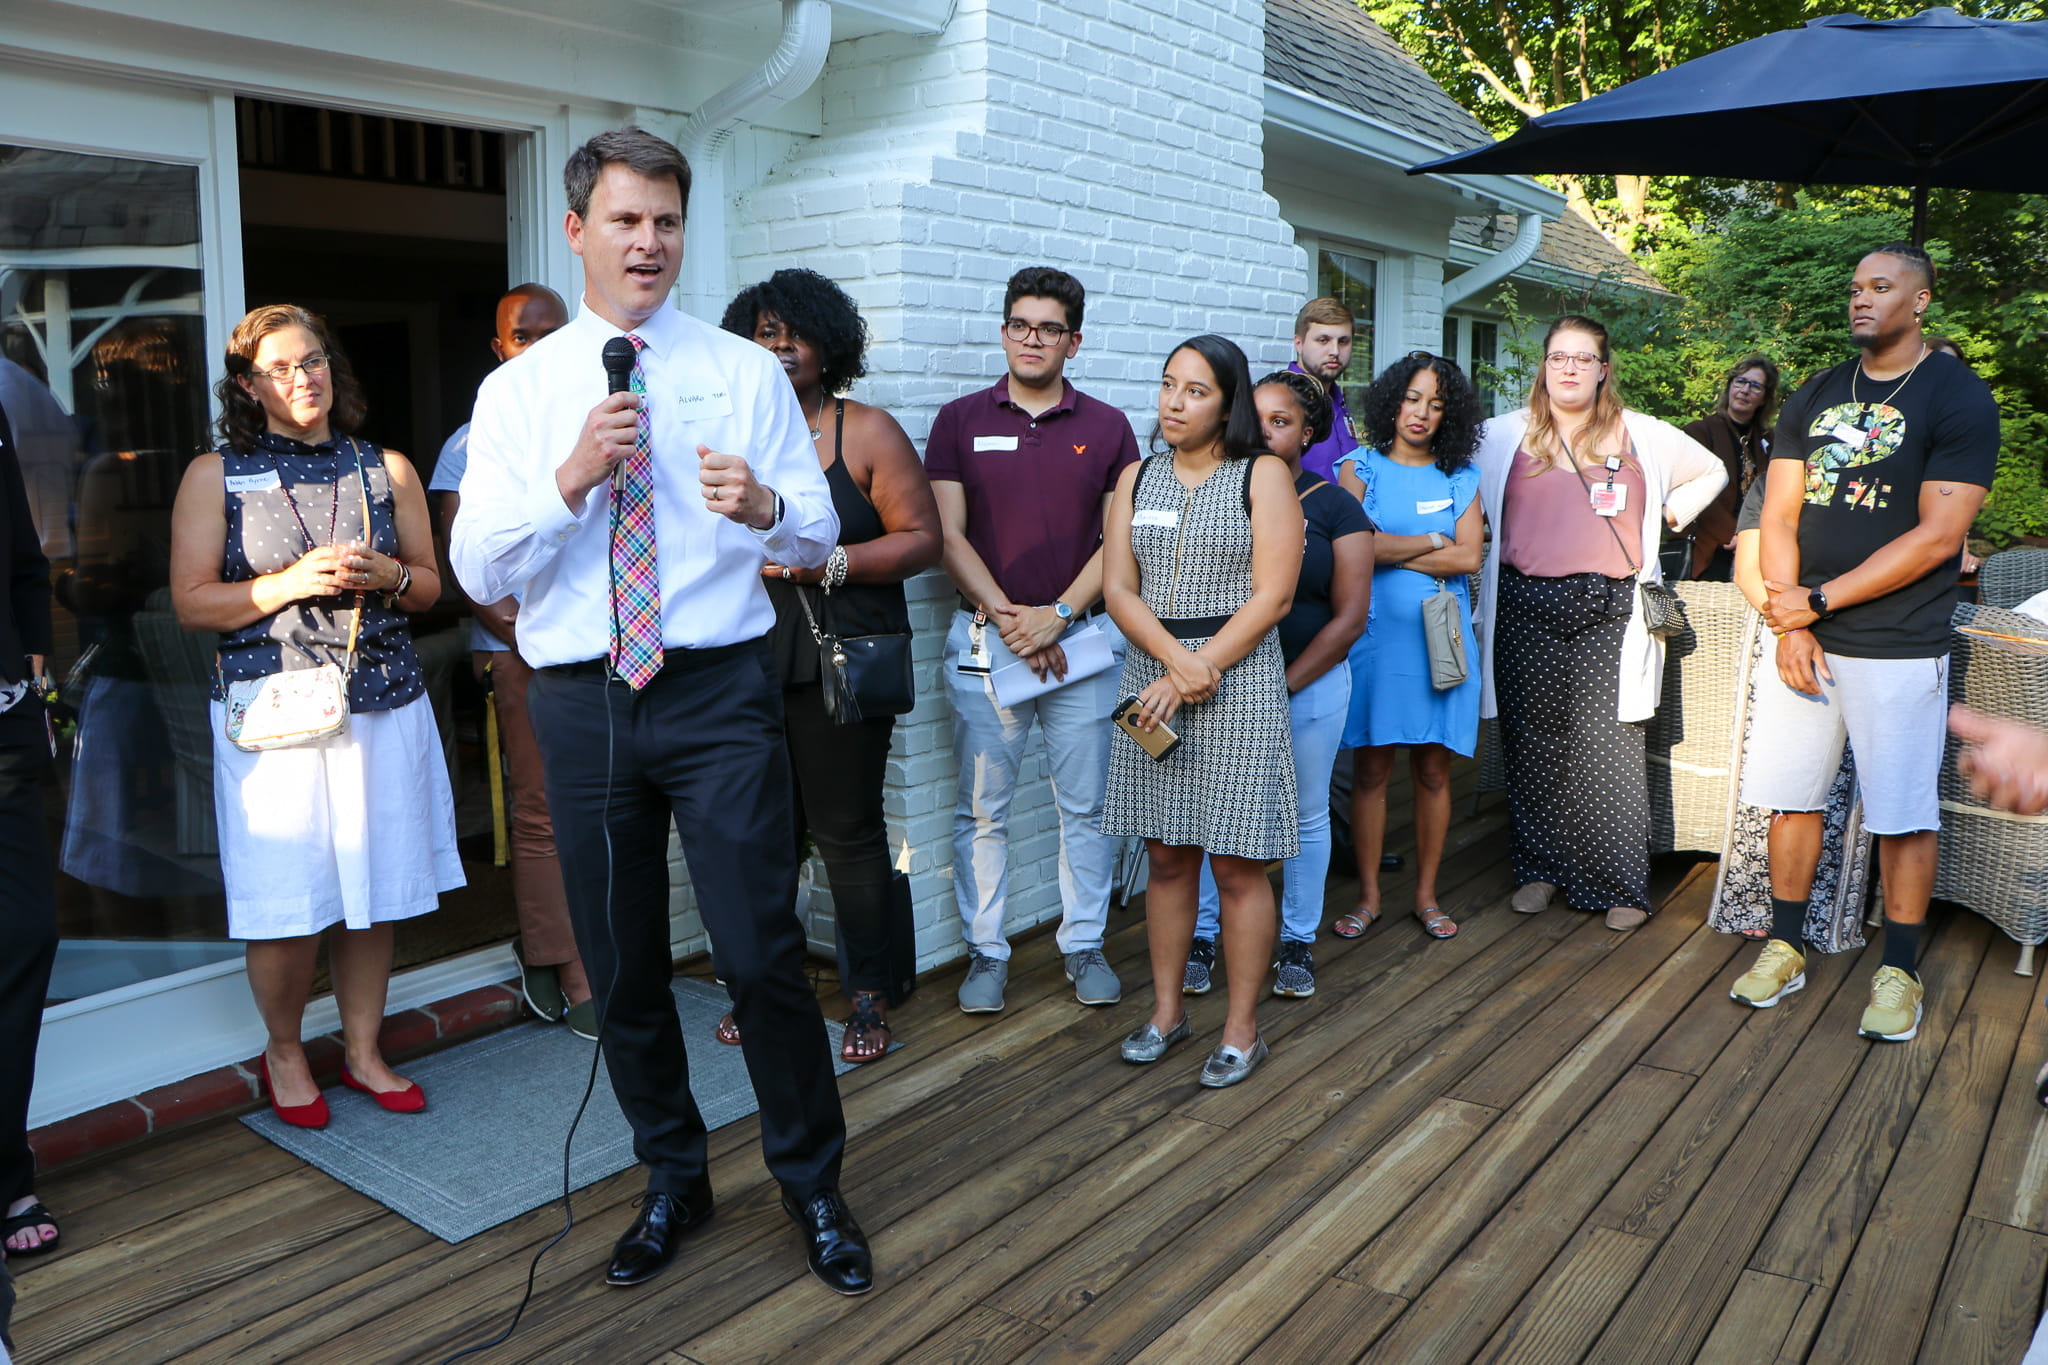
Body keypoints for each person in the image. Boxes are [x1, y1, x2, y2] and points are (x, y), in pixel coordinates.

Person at [449, 127, 871, 1295]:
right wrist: (569, 478)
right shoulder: (521, 393)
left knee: (760, 952)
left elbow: (821, 535)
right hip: (583, 703)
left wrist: (771, 506)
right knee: (621, 964)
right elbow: (477, 562)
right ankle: (671, 1177)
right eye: (626, 220)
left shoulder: (741, 371)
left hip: (716, 692)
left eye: (667, 222)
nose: (648, 242)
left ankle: (813, 1187)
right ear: (577, 229)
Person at [168, 304, 462, 1126]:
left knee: (373, 892)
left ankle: (364, 1050)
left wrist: (390, 577)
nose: (305, 379)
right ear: (248, 386)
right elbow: (192, 603)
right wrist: (288, 583)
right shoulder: (214, 473)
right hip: (276, 716)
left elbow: (433, 585)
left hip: (382, 702)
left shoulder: (385, 466)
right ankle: (288, 1049)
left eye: (315, 360)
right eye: (283, 368)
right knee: (289, 899)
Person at [1734, 243, 1999, 1042]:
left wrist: (1815, 602)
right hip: (1804, 638)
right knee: (1793, 795)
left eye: (1881, 288)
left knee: (1903, 810)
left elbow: (1937, 536)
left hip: (1898, 639)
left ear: (1919, 302)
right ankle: (1785, 943)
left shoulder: (1957, 397)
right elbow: (1777, 516)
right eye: (1855, 288)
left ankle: (1900, 970)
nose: (1861, 300)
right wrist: (1792, 619)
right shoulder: (1815, 392)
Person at [719, 267, 941, 1060]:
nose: (779, 346)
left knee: (846, 833)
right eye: (764, 332)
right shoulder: (728, 434)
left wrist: (825, 564)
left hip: (839, 657)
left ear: (828, 343)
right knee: (760, 837)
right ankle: (764, 989)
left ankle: (870, 995)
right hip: (740, 660)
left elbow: (922, 539)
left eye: (795, 332)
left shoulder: (865, 431)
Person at [927, 266, 1140, 1015]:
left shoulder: (1108, 426)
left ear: (1074, 341)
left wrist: (1056, 612)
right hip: (988, 644)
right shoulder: (959, 420)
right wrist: (1017, 619)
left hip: (1080, 648)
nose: (1032, 339)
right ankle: (987, 952)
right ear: (1004, 329)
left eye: (1049, 328)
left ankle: (1083, 944)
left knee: (1084, 807)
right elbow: (945, 534)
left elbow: (1123, 541)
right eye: (1020, 323)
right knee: (982, 809)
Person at [1474, 314, 1726, 933]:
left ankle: (1617, 883)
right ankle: (1539, 870)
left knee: (1609, 747)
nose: (1569, 368)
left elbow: (1714, 470)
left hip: (1610, 608)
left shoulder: (1643, 435)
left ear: (1603, 369)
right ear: (1543, 365)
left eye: (1583, 359)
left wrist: (1675, 510)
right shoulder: (1498, 435)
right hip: (1523, 603)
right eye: (1558, 356)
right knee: (1532, 743)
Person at [1103, 335, 1304, 1088]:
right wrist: (1174, 662)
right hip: (1154, 672)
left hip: (1240, 680)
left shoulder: (1263, 476)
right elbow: (1120, 588)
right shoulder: (1137, 476)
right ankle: (1165, 1011)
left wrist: (1201, 665)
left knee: (1240, 861)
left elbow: (1274, 595)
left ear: (1228, 404)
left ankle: (1242, 1029)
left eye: (1194, 390)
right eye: (1167, 385)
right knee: (1164, 853)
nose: (1173, 402)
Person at [430, 283, 596, 1037]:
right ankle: (561, 959)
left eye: (551, 331)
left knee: (602, 807)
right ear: (499, 348)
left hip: (596, 647)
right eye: (521, 336)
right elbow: (471, 572)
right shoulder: (469, 444)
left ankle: (603, 950)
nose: (538, 345)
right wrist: (536, 640)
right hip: (522, 649)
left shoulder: (605, 424)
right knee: (542, 811)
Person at [1184, 370, 1371, 999]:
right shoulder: (1215, 491)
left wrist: (1283, 685)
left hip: (1306, 686)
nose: (1264, 430)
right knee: (1217, 816)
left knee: (1307, 812)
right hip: (1223, 686)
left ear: (1308, 433)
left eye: (1281, 421)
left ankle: (1296, 940)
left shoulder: (1334, 504)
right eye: (1255, 417)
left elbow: (1348, 619)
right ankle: (1205, 936)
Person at [1335, 352, 1485, 942]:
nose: (1421, 413)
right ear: (1392, 401)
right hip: (1374, 641)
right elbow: (1357, 549)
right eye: (1413, 398)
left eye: (1437, 403)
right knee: (1371, 768)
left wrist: (1388, 544)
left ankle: (1425, 895)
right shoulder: (1359, 468)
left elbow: (1469, 556)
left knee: (1432, 769)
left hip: (1439, 643)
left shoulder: (1461, 477)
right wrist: (1430, 539)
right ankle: (1370, 895)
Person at [1708, 477, 1872, 950]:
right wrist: (1790, 633)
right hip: (1786, 637)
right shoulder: (1779, 471)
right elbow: (1747, 570)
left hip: (1868, 640)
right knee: (1780, 792)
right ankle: (1771, 920)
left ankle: (1828, 920)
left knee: (1848, 798)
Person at [0, 396, 60, 1261]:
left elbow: (21, 559)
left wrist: (34, 655)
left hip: (5, 718)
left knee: (26, 934)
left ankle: (6, 1164)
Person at [1683, 353, 1780, 580]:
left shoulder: (1772, 441)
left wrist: (1751, 538)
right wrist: (1733, 534)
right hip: (1708, 547)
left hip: (1757, 547)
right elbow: (1693, 492)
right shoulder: (1699, 433)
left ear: (1765, 398)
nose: (1745, 390)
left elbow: (1776, 492)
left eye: (1755, 386)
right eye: (1740, 381)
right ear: (1730, 387)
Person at [1290, 298, 1362, 485]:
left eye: (1343, 341)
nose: (1335, 351)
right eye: (1323, 340)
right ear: (1299, 343)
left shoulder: (1337, 399)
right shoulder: (1281, 401)